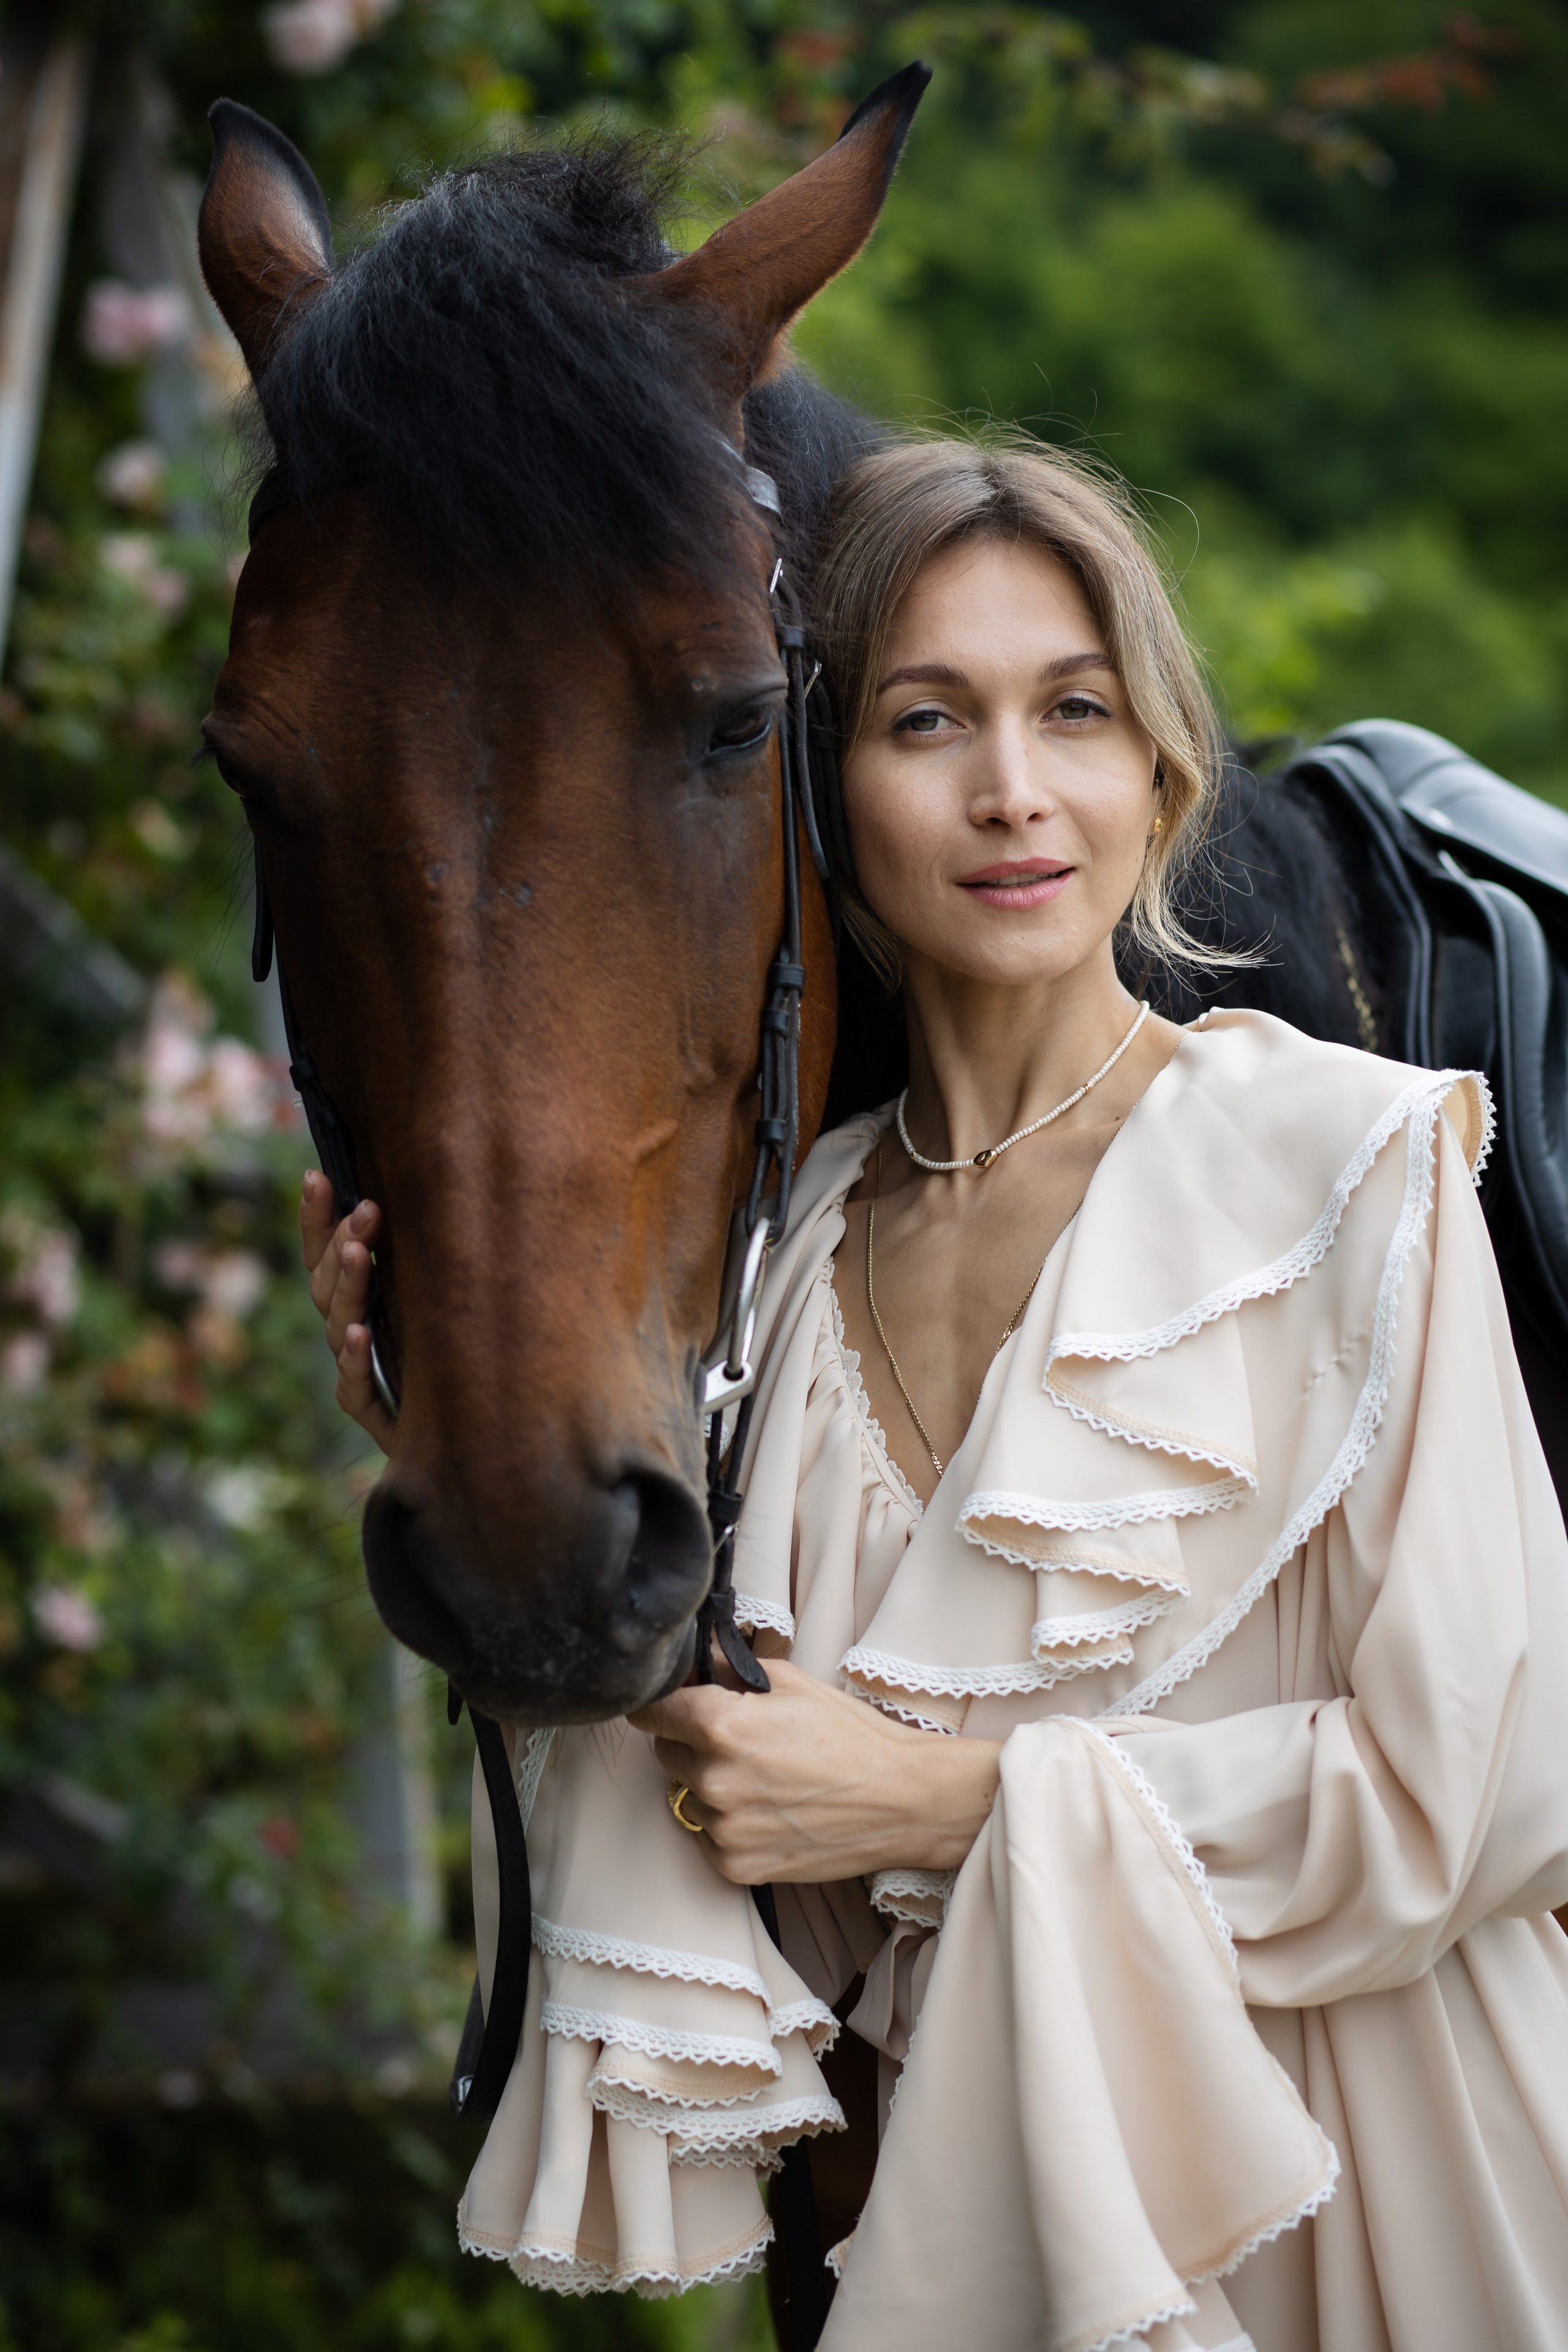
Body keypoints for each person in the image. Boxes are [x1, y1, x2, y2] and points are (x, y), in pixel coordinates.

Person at [303, 440, 1568, 2351]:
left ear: (1159, 768)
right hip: (939, 2274)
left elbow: (1481, 1792)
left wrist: (945, 1800)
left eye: (1075, 709)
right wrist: (461, 1451)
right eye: (926, 721)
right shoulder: (791, 1254)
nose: (1012, 793)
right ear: (831, 797)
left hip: (1367, 2211)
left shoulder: (1349, 1166)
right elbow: (725, 1829)